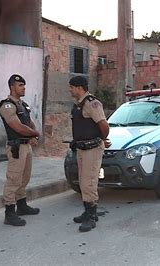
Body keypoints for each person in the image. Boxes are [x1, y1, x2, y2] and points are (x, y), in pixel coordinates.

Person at [68, 76, 111, 232]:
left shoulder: (91, 103)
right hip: (81, 148)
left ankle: (91, 215)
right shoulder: (79, 104)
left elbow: (103, 124)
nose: (70, 90)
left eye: (72, 87)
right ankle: (87, 210)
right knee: (83, 181)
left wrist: (102, 139)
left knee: (89, 182)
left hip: (92, 149)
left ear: (79, 88)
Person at [0, 74, 41, 226]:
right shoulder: (7, 105)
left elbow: (29, 123)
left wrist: (34, 135)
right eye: (20, 85)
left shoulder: (23, 105)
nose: (23, 88)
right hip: (16, 147)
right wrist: (35, 133)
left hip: (26, 146)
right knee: (13, 179)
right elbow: (17, 127)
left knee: (24, 178)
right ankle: (9, 213)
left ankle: (21, 206)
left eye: (24, 85)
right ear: (12, 87)